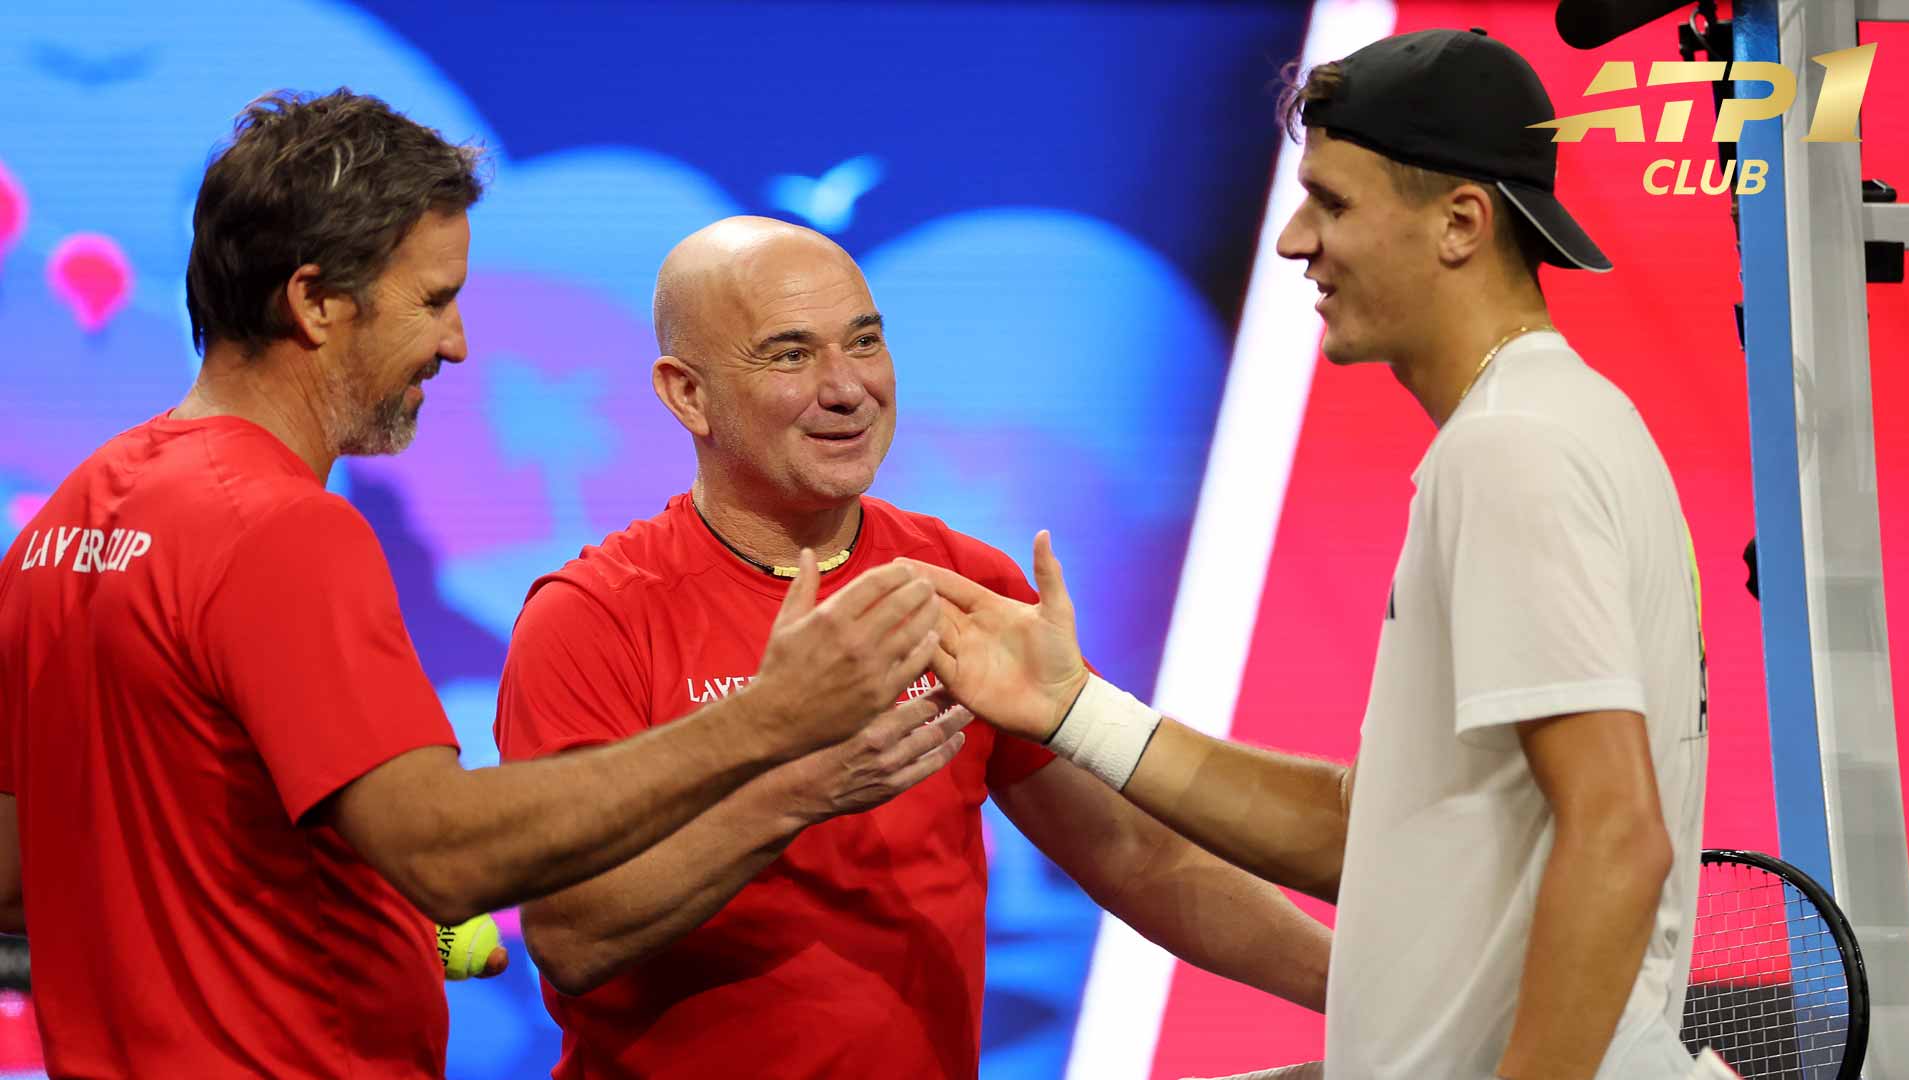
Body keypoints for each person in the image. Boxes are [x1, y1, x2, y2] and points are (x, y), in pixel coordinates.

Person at [0, 91, 945, 1079]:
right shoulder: (281, 530)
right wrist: (771, 720)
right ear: (316, 301)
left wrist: (295, 919)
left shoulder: (71, 518)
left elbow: (17, 877)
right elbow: (444, 859)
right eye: (434, 301)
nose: (454, 345)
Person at [916, 29, 1709, 1080]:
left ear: (1461, 223)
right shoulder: (1558, 425)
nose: (1295, 240)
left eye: (1332, 203)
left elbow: (1618, 838)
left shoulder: (1514, 451)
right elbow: (1373, 837)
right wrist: (1074, 708)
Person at [492, 215, 1333, 1079]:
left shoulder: (963, 583)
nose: (848, 387)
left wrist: (1369, 995)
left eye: (865, 341)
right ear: (686, 395)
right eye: (790, 354)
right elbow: (571, 935)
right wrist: (793, 793)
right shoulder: (593, 619)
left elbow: (1137, 856)